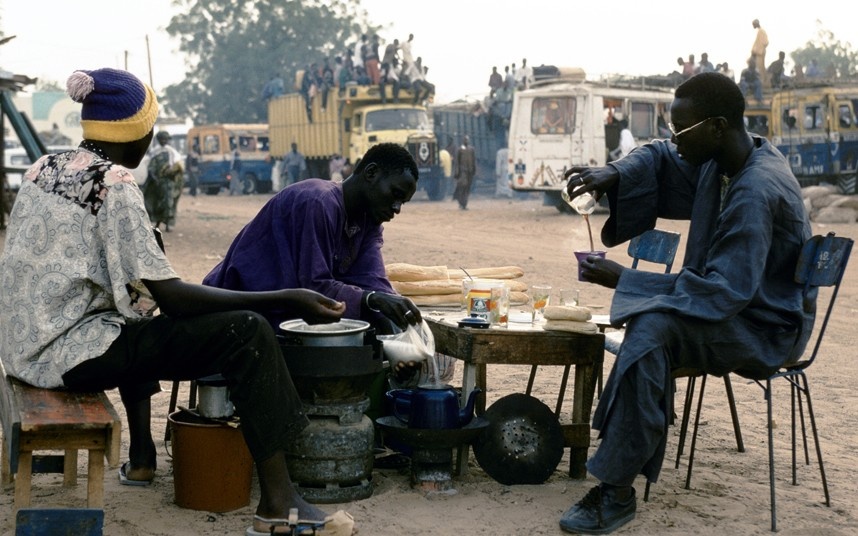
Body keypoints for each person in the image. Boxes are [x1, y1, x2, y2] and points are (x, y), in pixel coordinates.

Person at [0, 67, 356, 536]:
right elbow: (173, 297)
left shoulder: (42, 167)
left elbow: (119, 281)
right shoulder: (116, 184)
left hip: (24, 345)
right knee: (246, 332)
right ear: (140, 135)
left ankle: (144, 458)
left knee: (135, 312)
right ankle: (278, 501)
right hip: (66, 354)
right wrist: (286, 297)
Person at [558, 71, 812, 534]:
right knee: (652, 323)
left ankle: (615, 493)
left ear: (716, 126)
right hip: (739, 310)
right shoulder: (728, 157)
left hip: (764, 328)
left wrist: (626, 280)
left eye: (681, 130)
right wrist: (614, 172)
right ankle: (632, 445)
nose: (674, 141)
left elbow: (723, 292)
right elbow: (656, 154)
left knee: (653, 330)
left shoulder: (754, 190)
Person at [203, 142, 422, 337]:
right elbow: (315, 286)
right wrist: (371, 299)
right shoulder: (318, 202)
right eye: (395, 194)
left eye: (403, 202)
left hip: (284, 313)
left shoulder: (368, 220)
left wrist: (394, 309)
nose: (397, 208)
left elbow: (371, 279)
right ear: (371, 173)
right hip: (239, 308)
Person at [144, 130, 184, 232]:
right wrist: (155, 178)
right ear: (158, 140)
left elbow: (177, 167)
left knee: (169, 202)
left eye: (166, 139)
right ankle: (157, 223)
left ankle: (169, 223)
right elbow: (150, 168)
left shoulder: (171, 151)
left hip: (169, 182)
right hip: (157, 182)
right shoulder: (154, 151)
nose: (164, 141)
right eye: (162, 139)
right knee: (156, 203)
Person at [452, 135, 476, 210]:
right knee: (463, 185)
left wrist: (474, 170)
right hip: (463, 171)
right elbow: (457, 162)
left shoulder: (471, 149)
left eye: (467, 140)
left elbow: (473, 160)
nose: (466, 141)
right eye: (465, 140)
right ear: (462, 141)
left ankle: (464, 204)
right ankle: (461, 201)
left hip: (470, 171)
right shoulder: (460, 150)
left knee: (467, 187)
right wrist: (457, 172)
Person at [751, 19, 769, 86]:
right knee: (759, 67)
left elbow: (765, 42)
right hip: (758, 53)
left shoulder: (761, 31)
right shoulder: (759, 31)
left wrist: (758, 50)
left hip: (760, 53)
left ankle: (763, 83)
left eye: (753, 24)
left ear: (756, 24)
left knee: (760, 68)